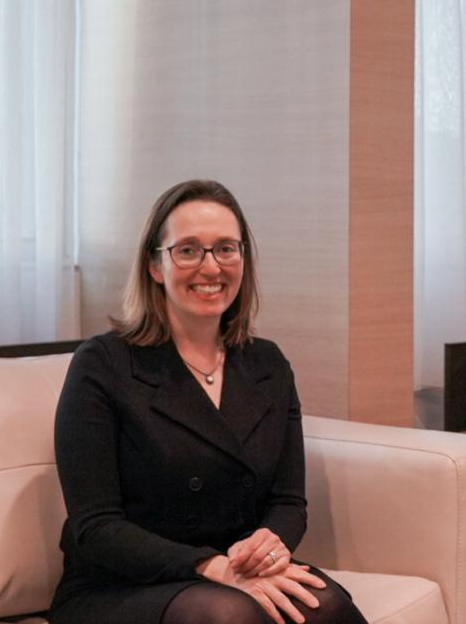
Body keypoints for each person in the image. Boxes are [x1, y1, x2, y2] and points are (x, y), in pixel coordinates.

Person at [50, 179, 368, 624]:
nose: (211, 266)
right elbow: (97, 527)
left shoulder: (268, 364)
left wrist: (269, 544)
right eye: (188, 250)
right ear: (155, 266)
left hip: (234, 568)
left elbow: (288, 501)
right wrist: (211, 567)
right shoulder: (103, 363)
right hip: (121, 582)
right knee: (228, 614)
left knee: (324, 605)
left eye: (225, 249)